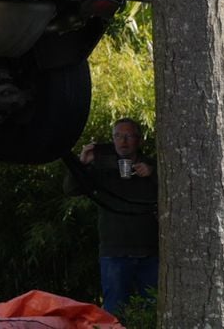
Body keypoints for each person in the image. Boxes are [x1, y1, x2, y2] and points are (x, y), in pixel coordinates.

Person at [63, 117, 158, 317]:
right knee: (114, 313)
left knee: (153, 311)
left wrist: (152, 173)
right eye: (118, 136)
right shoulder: (102, 169)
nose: (123, 141)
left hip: (149, 252)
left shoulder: (151, 166)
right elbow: (71, 189)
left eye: (128, 136)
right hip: (115, 252)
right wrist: (81, 164)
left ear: (139, 140)